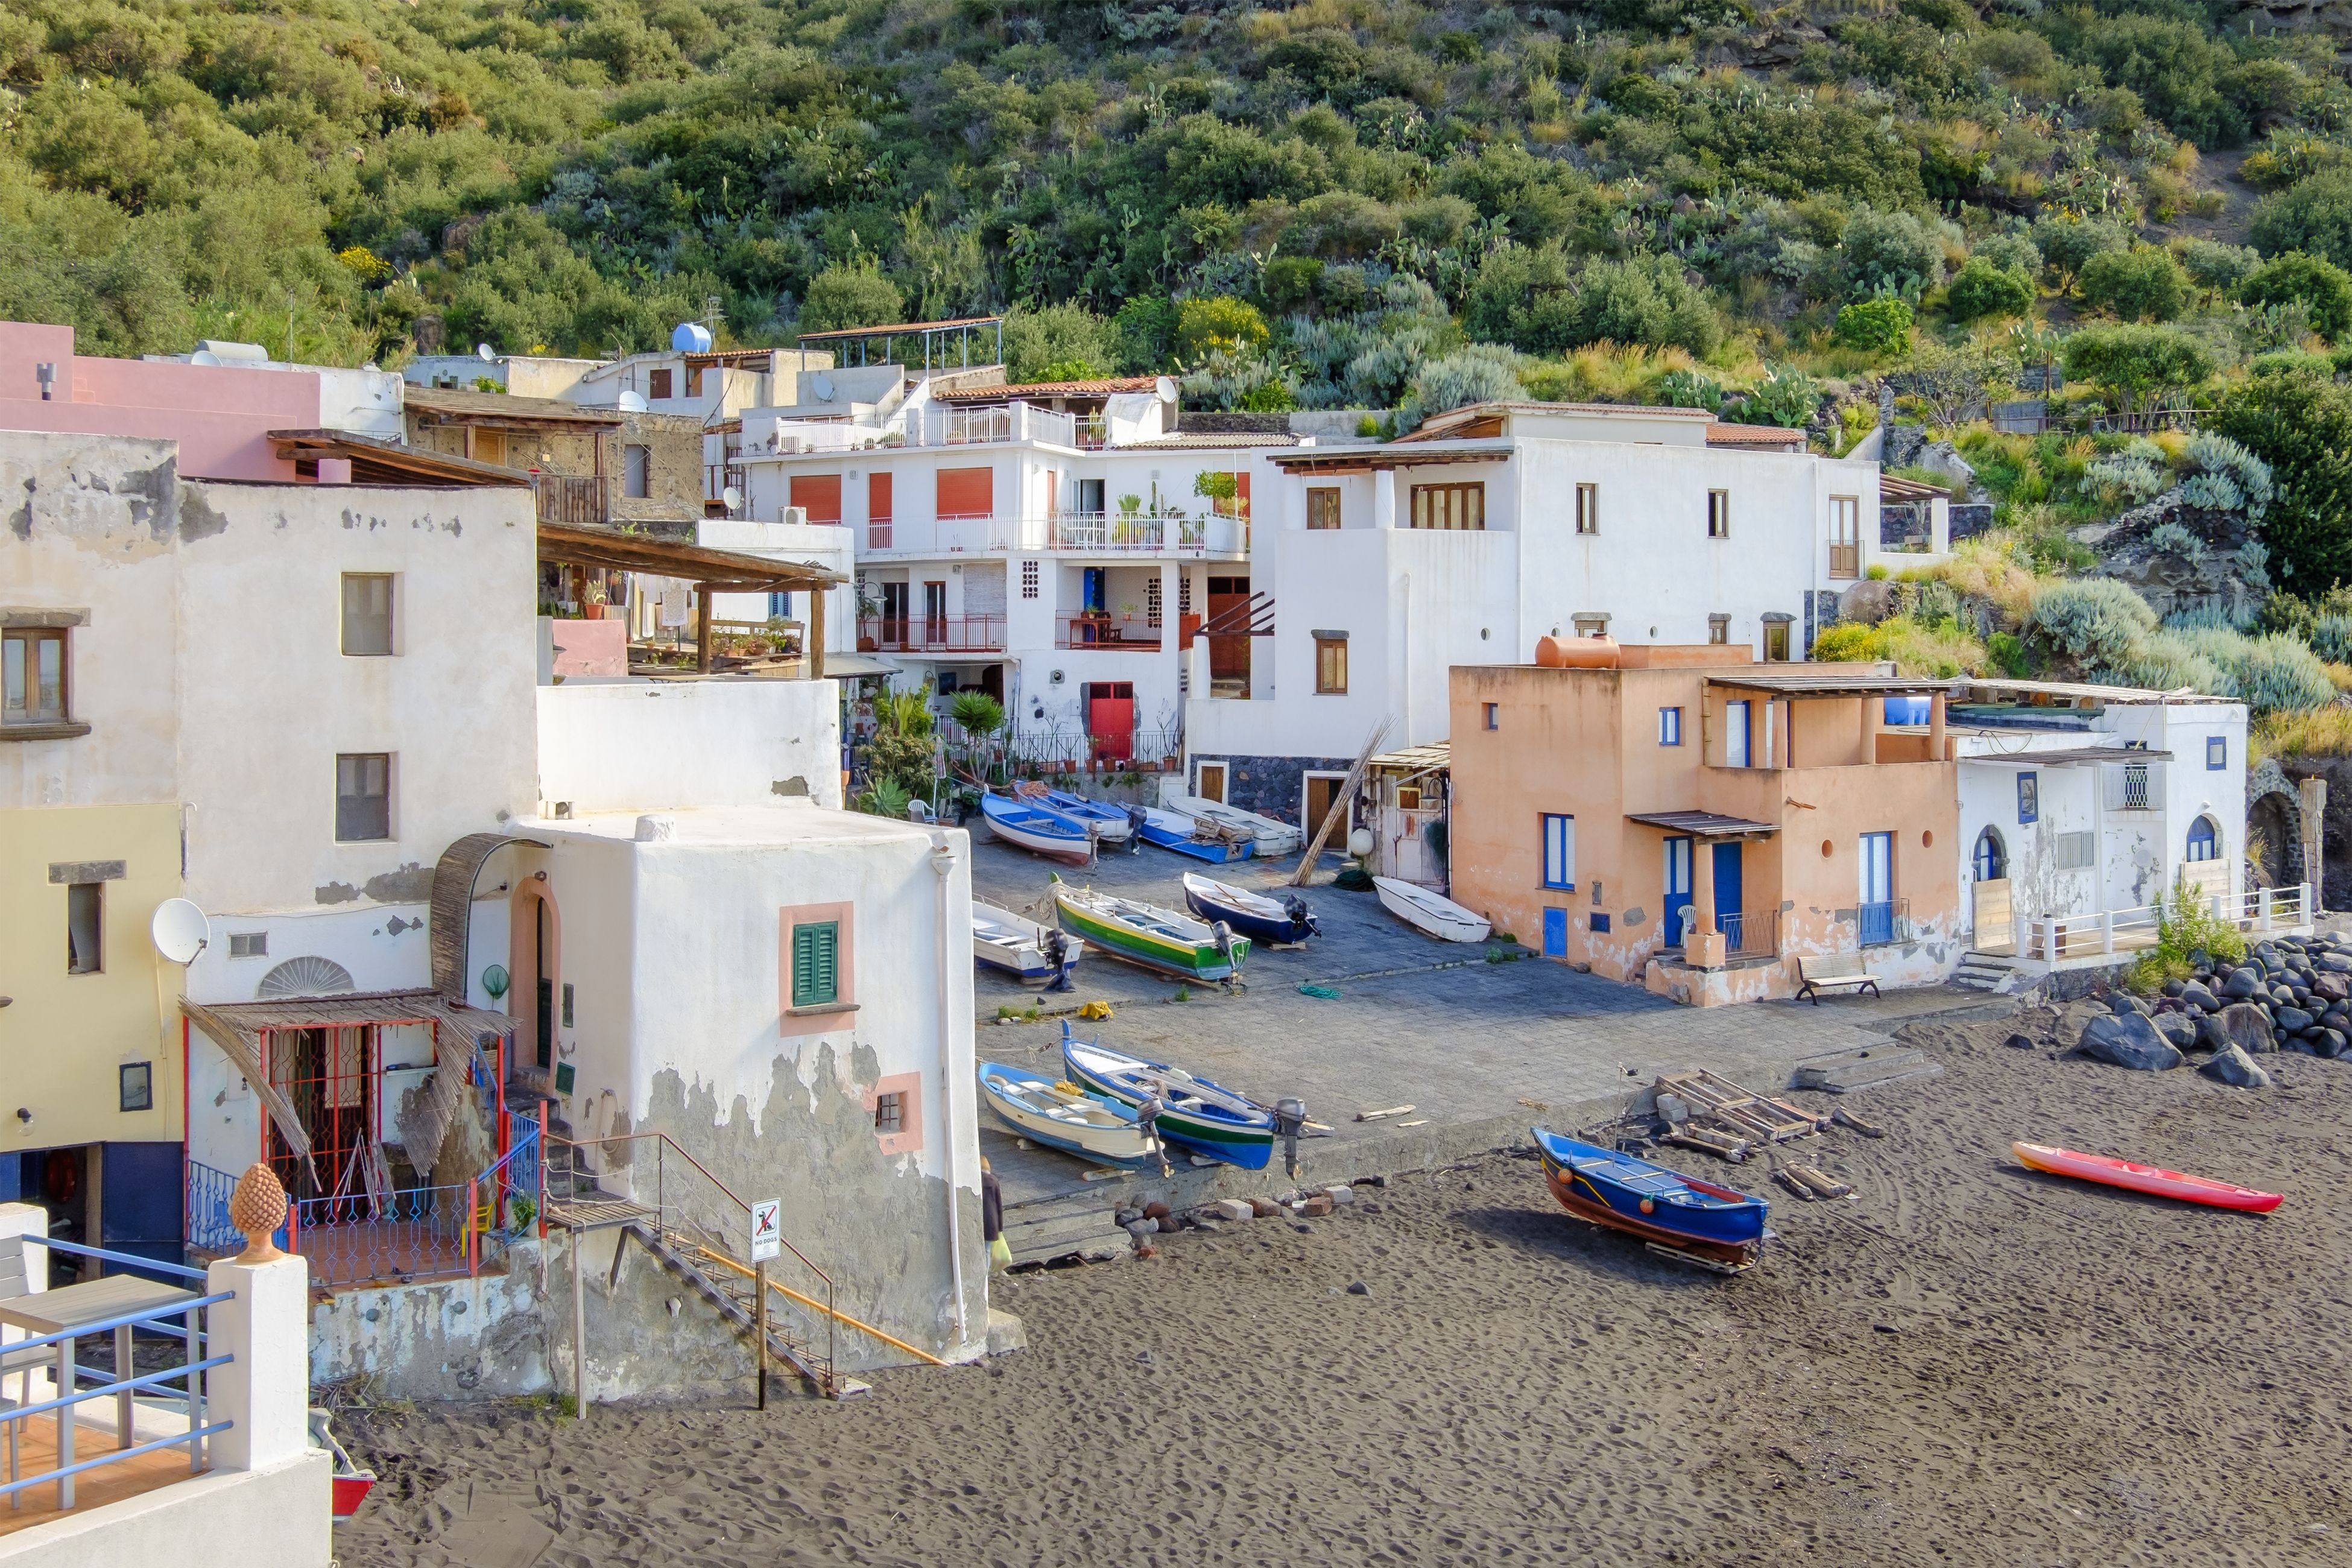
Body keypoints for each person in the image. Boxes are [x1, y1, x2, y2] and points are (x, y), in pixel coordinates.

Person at [982, 1156, 1010, 1271]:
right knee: (987, 1250)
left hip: (981, 1219)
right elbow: (999, 1205)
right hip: (992, 1221)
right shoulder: (994, 1182)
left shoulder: (976, 1181)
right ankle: (986, 1273)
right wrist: (1000, 1228)